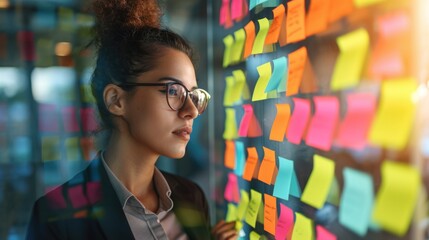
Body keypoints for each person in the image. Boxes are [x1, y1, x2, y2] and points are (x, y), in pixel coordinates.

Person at [26, 0, 238, 239]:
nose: (192, 110)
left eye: (194, 95)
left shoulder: (191, 196)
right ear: (117, 100)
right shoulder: (57, 216)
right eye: (172, 91)